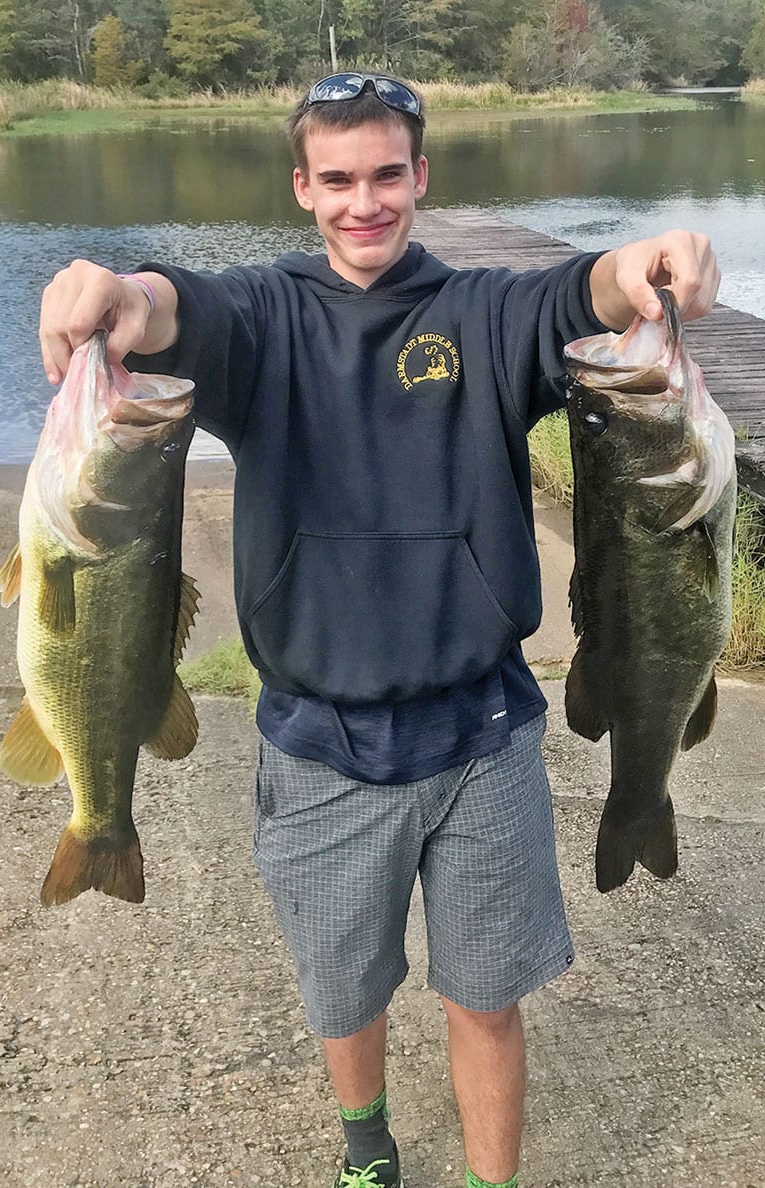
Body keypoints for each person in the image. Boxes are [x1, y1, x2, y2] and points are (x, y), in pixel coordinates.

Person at [38, 73, 720, 1188]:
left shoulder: (482, 315)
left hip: (483, 736)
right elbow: (174, 312)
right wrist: (115, 290)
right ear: (303, 187)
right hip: (319, 743)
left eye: (387, 175)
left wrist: (643, 262)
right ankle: (367, 1152)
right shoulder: (263, 319)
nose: (366, 202)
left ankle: (489, 1181)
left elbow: (577, 296)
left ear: (420, 178)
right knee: (343, 990)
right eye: (340, 179)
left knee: (484, 996)